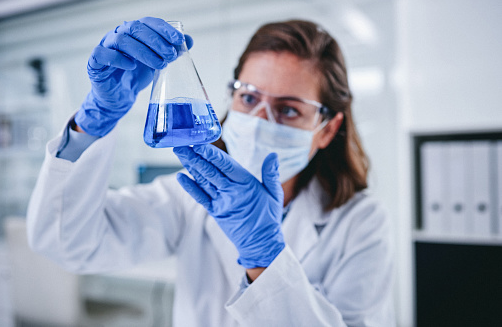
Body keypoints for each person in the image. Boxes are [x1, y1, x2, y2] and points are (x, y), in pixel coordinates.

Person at [27, 17, 395, 326]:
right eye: (248, 98)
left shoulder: (361, 224)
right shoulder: (186, 196)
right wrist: (94, 122)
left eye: (288, 110)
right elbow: (66, 243)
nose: (257, 121)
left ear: (327, 129)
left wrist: (265, 259)